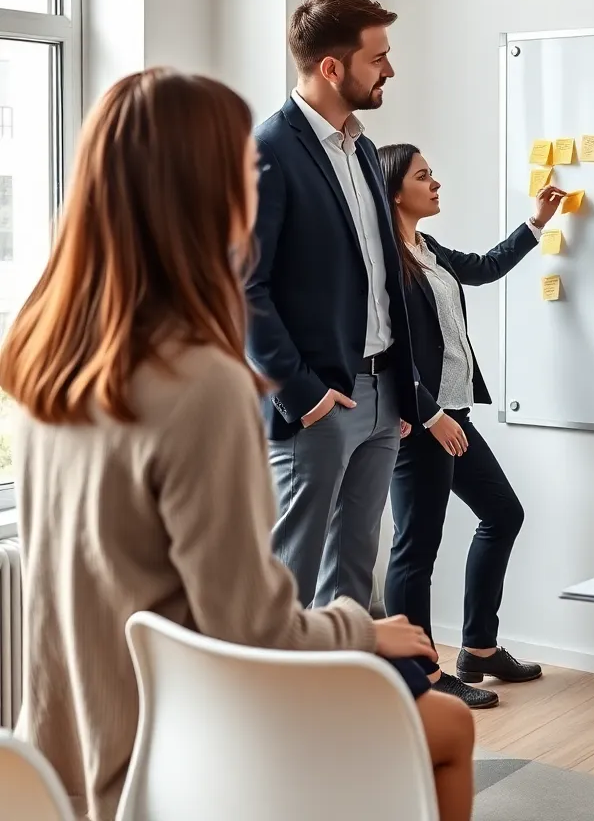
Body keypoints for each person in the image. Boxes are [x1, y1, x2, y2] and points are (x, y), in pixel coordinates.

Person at [1, 69, 474, 821]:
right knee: (447, 724)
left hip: (54, 763)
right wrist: (364, 631)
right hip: (173, 756)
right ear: (210, 191)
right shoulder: (198, 381)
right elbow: (251, 628)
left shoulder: (44, 357)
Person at [246, 0, 419, 611]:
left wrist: (399, 387)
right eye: (378, 58)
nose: (389, 70)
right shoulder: (268, 151)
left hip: (381, 395)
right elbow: (243, 289)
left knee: (352, 581)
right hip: (318, 402)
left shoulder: (365, 150)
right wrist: (303, 395)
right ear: (331, 67)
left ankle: (343, 680)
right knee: (287, 586)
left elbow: (383, 274)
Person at [379, 143, 563, 708]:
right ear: (394, 191)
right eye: (423, 176)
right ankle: (417, 673)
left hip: (453, 413)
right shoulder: (383, 258)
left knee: (503, 514)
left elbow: (484, 268)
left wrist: (535, 223)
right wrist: (427, 413)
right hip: (420, 422)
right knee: (416, 548)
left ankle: (479, 648)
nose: (435, 183)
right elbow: (385, 348)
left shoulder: (427, 249)